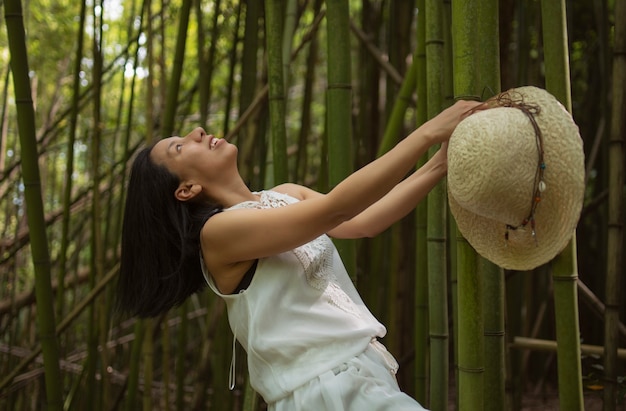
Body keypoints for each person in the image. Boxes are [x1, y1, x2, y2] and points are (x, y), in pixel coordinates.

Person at [116, 99, 482, 410]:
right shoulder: (219, 234)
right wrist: (428, 132)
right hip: (322, 389)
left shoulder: (286, 193)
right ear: (187, 189)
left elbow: (362, 222)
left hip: (363, 373)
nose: (196, 131)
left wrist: (439, 163)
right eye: (179, 148)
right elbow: (336, 208)